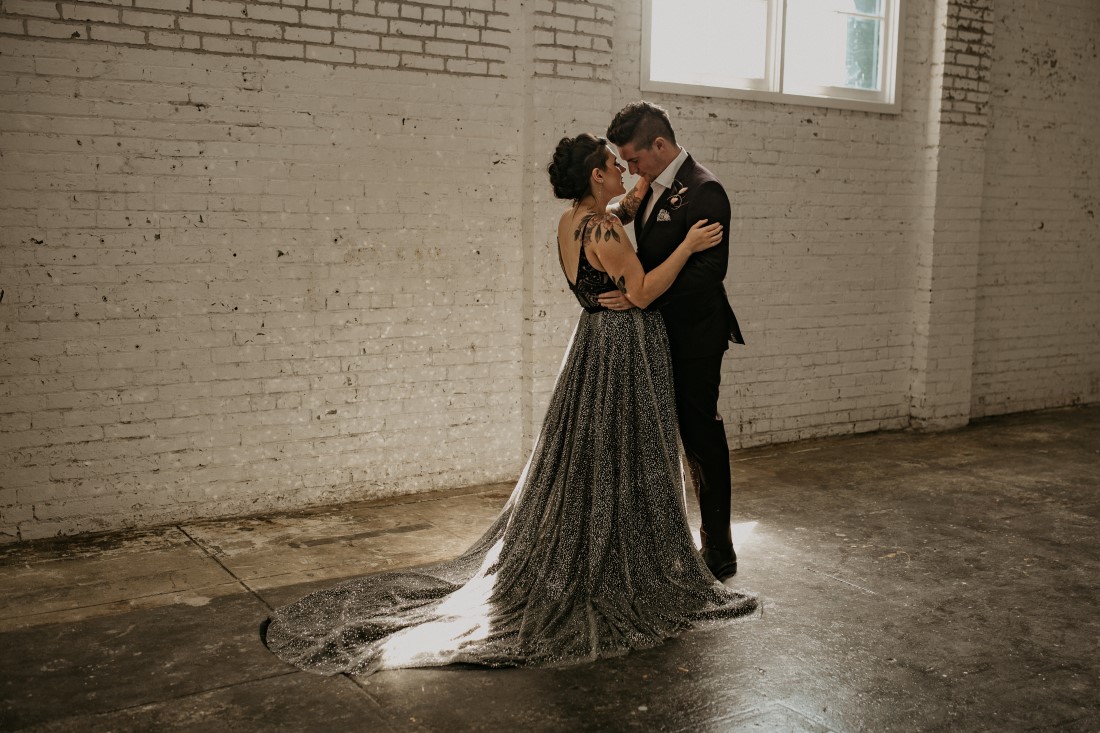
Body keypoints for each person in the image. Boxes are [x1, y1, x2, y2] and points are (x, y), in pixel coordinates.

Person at [261, 133, 756, 677]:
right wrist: (686, 247)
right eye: (614, 165)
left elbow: (616, 209)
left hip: (592, 341)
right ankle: (620, 559)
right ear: (595, 176)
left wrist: (636, 191)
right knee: (622, 452)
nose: (621, 170)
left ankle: (604, 542)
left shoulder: (573, 222)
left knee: (590, 456)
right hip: (622, 348)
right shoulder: (607, 229)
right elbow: (639, 293)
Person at [601, 102, 745, 581]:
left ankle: (719, 549)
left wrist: (643, 298)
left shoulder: (706, 191)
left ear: (659, 146)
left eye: (635, 159)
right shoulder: (651, 186)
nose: (630, 168)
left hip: (697, 335)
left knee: (701, 435)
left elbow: (710, 272)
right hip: (660, 332)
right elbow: (614, 219)